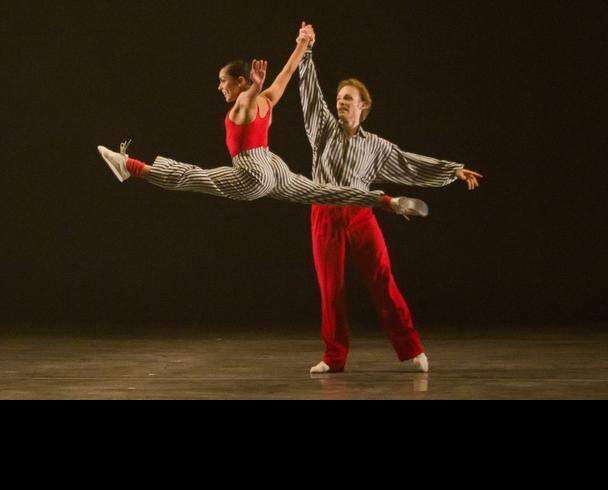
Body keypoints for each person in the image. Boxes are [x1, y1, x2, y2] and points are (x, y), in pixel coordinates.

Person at [296, 23, 483, 374]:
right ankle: (333, 357)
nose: (340, 101)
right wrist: (306, 51)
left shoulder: (377, 146)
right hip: (324, 213)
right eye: (339, 97)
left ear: (363, 105)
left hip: (361, 215)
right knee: (330, 290)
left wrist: (452, 171)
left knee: (382, 281)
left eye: (347, 97)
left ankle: (411, 349)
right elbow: (309, 95)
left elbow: (409, 163)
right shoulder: (322, 130)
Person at [96, 24, 427, 218]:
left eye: (223, 81)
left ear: (239, 81)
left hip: (252, 173)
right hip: (274, 166)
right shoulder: (267, 100)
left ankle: (130, 166)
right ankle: (388, 201)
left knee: (192, 177)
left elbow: (246, 100)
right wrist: (303, 44)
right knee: (325, 191)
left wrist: (253, 85)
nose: (219, 87)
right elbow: (284, 75)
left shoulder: (246, 100)